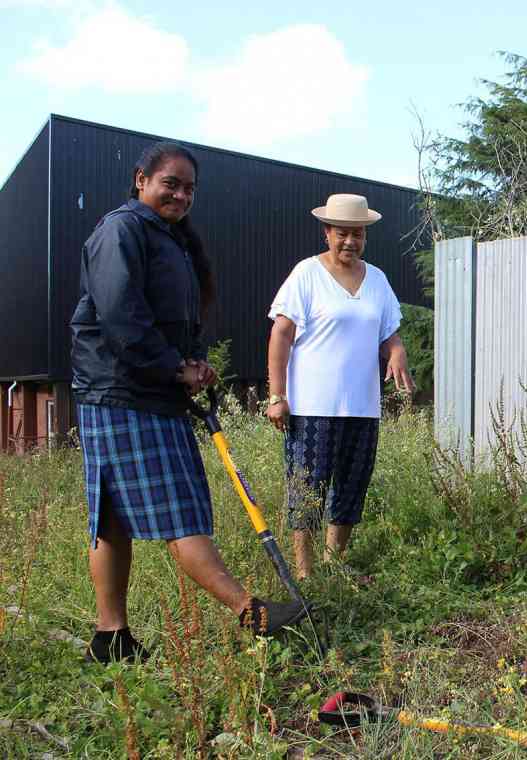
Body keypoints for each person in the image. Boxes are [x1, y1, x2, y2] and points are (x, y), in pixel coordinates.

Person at [71, 142, 306, 664]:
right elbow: (119, 317)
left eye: (189, 188)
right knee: (174, 513)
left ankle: (111, 638)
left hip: (151, 393)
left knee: (115, 519)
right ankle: (252, 612)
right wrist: (172, 367)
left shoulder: (171, 240)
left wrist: (194, 363)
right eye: (169, 183)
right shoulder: (122, 230)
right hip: (121, 394)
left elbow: (179, 322)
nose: (180, 194)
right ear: (141, 179)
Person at [266, 193, 414, 581]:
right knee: (307, 490)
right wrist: (276, 396)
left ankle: (335, 563)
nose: (350, 241)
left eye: (358, 234)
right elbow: (281, 334)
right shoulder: (306, 274)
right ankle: (305, 572)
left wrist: (396, 353)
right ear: (327, 232)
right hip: (312, 406)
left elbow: (388, 332)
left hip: (362, 407)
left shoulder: (377, 279)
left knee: (351, 485)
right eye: (343, 233)